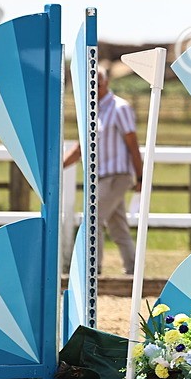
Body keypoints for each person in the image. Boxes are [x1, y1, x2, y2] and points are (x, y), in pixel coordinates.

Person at [63, 66, 143, 275]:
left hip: (117, 175)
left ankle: (93, 270)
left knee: (93, 219)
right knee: (118, 226)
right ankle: (133, 271)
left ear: (106, 83)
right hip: (100, 177)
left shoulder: (119, 108)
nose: (93, 88)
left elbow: (132, 142)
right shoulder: (91, 111)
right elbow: (81, 147)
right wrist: (58, 167)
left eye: (96, 84)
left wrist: (140, 176)